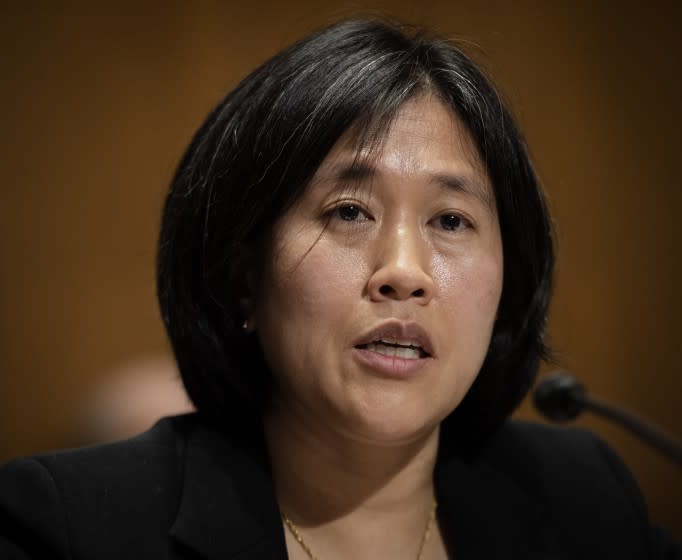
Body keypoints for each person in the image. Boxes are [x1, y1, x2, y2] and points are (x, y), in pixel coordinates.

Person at [0, 18, 679, 560]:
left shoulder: (583, 497)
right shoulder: (71, 526)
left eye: (451, 220)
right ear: (243, 276)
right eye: (350, 212)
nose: (404, 271)